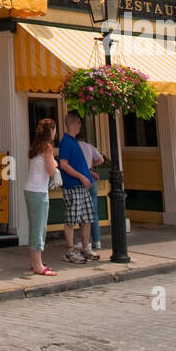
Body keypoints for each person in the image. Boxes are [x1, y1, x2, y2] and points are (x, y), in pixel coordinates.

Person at [57, 110, 100, 265]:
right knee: (71, 218)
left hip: (83, 186)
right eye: (80, 123)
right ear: (74, 123)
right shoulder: (66, 142)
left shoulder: (74, 142)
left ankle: (85, 248)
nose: (81, 126)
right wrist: (81, 177)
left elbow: (77, 164)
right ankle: (70, 250)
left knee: (87, 218)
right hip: (73, 186)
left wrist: (88, 173)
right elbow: (64, 165)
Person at [24, 117, 58, 276]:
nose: (55, 132)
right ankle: (38, 265)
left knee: (34, 226)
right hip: (39, 191)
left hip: (30, 189)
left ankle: (34, 261)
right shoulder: (48, 148)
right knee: (39, 227)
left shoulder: (36, 147)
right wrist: (56, 164)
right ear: (50, 131)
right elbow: (51, 171)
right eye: (54, 129)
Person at [76, 118, 106, 252]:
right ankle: (97, 241)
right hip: (91, 180)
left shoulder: (75, 147)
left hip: (81, 180)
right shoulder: (89, 147)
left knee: (83, 212)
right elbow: (101, 159)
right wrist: (91, 167)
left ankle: (85, 242)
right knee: (93, 212)